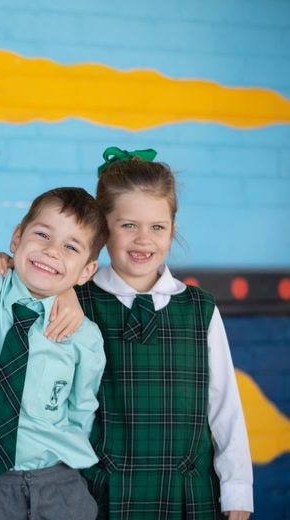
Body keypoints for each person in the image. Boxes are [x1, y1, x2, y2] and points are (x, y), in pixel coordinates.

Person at [78, 147, 253, 519]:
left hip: (187, 496)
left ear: (173, 229)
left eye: (157, 226)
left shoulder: (199, 308)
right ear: (102, 228)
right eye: (128, 225)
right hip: (102, 495)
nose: (144, 239)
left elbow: (225, 408)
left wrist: (238, 492)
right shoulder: (76, 302)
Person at [0, 187, 108, 520]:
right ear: (16, 237)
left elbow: (82, 408)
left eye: (71, 247)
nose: (51, 251)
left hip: (59, 483)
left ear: (86, 271)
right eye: (42, 234)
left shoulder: (84, 336)